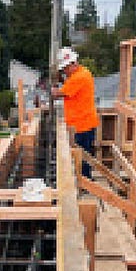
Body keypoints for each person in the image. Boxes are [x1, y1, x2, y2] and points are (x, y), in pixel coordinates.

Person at [51, 47, 99, 179]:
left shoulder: (79, 77)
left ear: (73, 64)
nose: (65, 72)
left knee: (82, 159)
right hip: (82, 123)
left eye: (65, 69)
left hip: (82, 125)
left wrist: (53, 87)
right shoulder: (82, 73)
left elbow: (58, 94)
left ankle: (85, 183)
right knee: (83, 157)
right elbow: (69, 86)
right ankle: (84, 181)